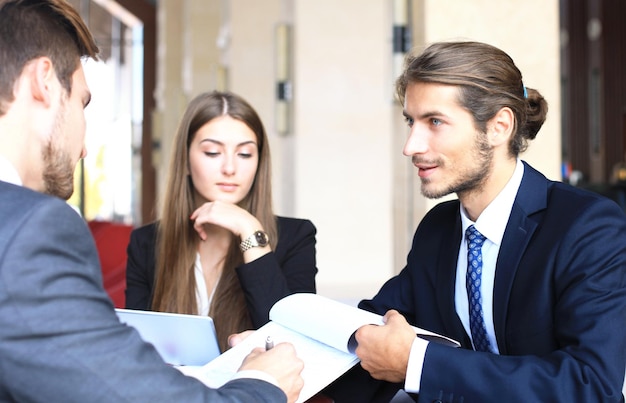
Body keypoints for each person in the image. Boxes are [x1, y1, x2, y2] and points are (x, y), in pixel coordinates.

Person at [0, 1, 304, 402]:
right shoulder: (30, 228)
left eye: (245, 153)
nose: (85, 147)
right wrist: (262, 385)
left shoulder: (294, 235)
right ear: (44, 81)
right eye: (83, 103)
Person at [325, 41, 626, 402]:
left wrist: (419, 363)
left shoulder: (586, 227)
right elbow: (376, 325)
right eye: (411, 121)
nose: (411, 146)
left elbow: (590, 385)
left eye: (435, 121)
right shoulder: (438, 227)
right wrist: (277, 361)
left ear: (499, 126)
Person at [125, 90, 318, 351]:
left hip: (258, 387)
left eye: (245, 154)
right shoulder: (146, 243)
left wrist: (249, 230)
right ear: (185, 159)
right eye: (213, 152)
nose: (230, 168)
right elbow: (136, 348)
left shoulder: (296, 237)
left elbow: (294, 344)